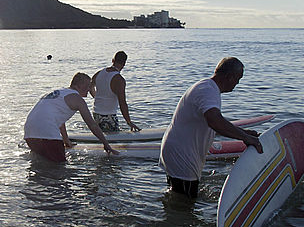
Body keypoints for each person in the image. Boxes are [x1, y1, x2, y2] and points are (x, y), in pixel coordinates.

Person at [160, 57, 263, 200]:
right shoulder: (208, 90)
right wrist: (246, 138)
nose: (238, 83)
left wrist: (244, 133)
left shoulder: (208, 87)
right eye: (238, 79)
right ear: (229, 77)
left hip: (178, 152)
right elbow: (215, 122)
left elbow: (216, 120)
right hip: (182, 156)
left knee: (177, 197)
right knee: (185, 205)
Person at [24, 73, 118, 162]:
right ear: (78, 86)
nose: (89, 89)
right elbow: (92, 125)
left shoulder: (60, 92)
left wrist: (66, 140)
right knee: (60, 168)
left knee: (42, 165)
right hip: (47, 134)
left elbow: (59, 119)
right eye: (87, 86)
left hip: (29, 133)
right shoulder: (77, 98)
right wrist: (106, 144)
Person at [90, 50, 140, 133]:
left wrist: (97, 98)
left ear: (113, 60)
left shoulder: (99, 73)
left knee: (102, 137)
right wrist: (129, 122)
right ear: (124, 64)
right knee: (113, 141)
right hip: (108, 115)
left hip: (95, 113)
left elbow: (90, 87)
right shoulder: (119, 80)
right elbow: (122, 103)